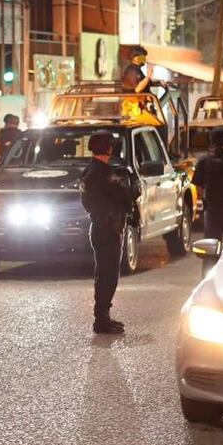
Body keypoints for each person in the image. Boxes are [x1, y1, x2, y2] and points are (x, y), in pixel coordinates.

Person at [80, 132, 135, 334]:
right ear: (110, 148)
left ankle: (103, 317)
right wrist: (131, 187)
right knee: (108, 275)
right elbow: (126, 195)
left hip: (99, 225)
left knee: (103, 273)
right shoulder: (104, 173)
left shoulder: (88, 171)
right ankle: (102, 320)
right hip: (108, 227)